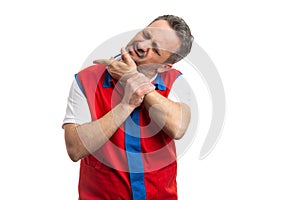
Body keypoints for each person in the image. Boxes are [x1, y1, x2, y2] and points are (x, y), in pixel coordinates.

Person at [62, 14, 194, 199]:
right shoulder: (86, 80)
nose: (141, 45)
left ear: (164, 67)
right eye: (146, 35)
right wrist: (125, 105)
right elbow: (75, 149)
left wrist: (134, 79)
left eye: (155, 50)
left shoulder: (176, 82)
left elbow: (178, 128)